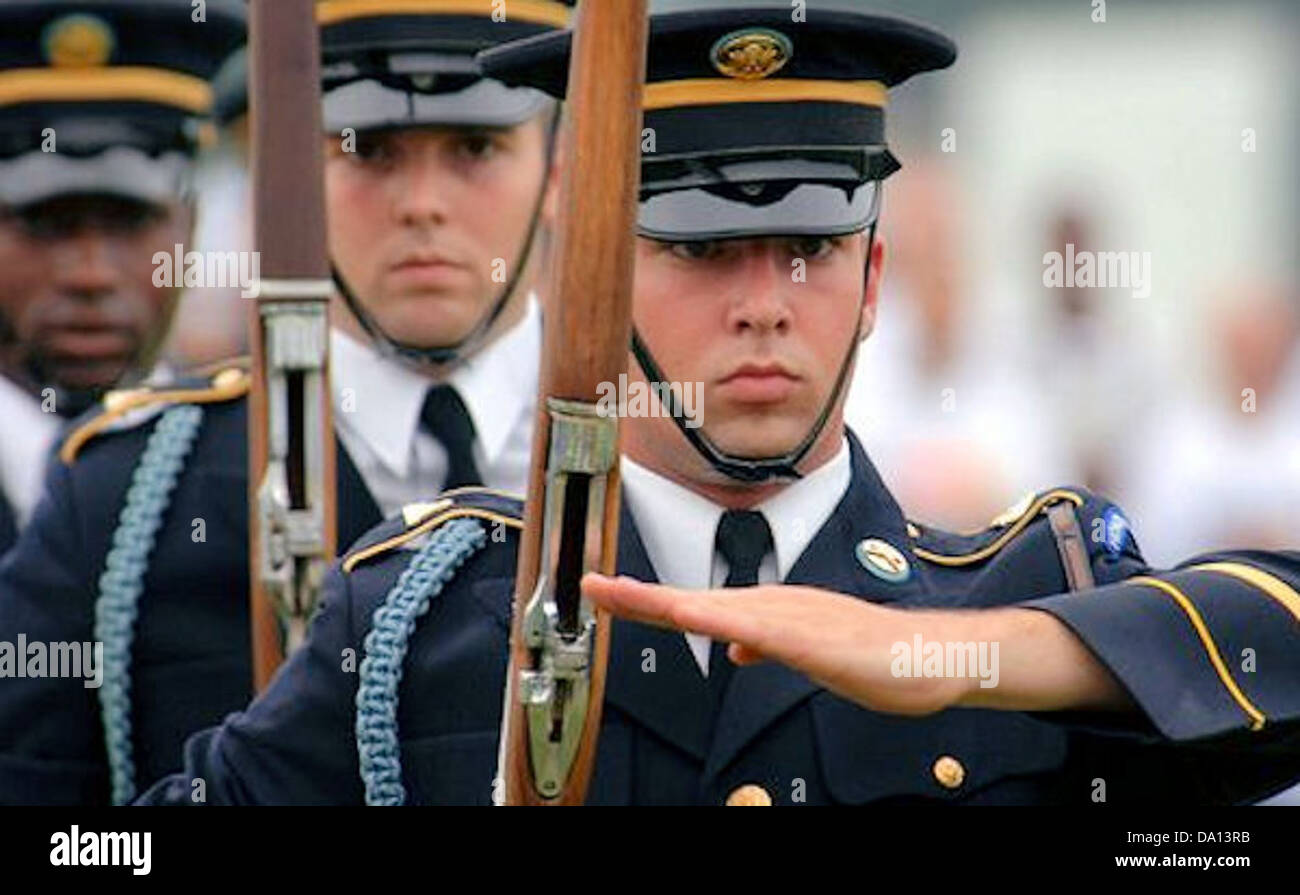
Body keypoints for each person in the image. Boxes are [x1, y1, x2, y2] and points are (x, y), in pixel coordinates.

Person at [136, 7, 1299, 807]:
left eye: (807, 248)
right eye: (702, 251)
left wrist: (959, 655)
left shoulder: (1024, 593)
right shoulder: (420, 623)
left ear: (874, 281)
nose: (765, 306)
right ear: (574, 280)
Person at [0, 0, 571, 805]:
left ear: (556, 170)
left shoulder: (665, 470)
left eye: (475, 146)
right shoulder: (118, 499)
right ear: (289, 174)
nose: (422, 203)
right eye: (366, 148)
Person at [0, 0, 244, 556]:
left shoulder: (262, 477)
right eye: (46, 224)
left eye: (130, 222)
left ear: (191, 223)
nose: (92, 274)